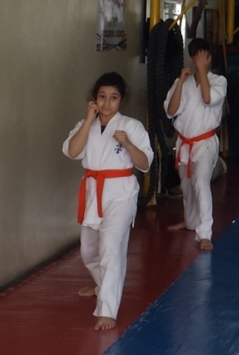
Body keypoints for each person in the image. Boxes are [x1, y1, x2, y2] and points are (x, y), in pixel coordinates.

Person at [62, 72, 153, 330]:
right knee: (89, 251)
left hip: (121, 193)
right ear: (94, 99)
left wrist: (128, 145)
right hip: (94, 191)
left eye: (113, 98)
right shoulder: (85, 125)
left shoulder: (131, 126)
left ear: (121, 100)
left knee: (111, 248)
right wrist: (88, 120)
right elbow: (73, 151)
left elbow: (145, 164)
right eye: (102, 97)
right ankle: (102, 285)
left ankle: (107, 310)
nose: (106, 103)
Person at [164, 39, 227, 251]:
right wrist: (180, 83)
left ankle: (205, 234)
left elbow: (208, 99)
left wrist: (201, 70)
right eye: (197, 58)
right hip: (184, 142)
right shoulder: (181, 82)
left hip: (205, 142)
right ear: (191, 58)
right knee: (186, 185)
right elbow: (171, 111)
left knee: (200, 182)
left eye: (204, 57)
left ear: (209, 58)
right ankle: (190, 222)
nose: (201, 61)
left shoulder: (219, 81)